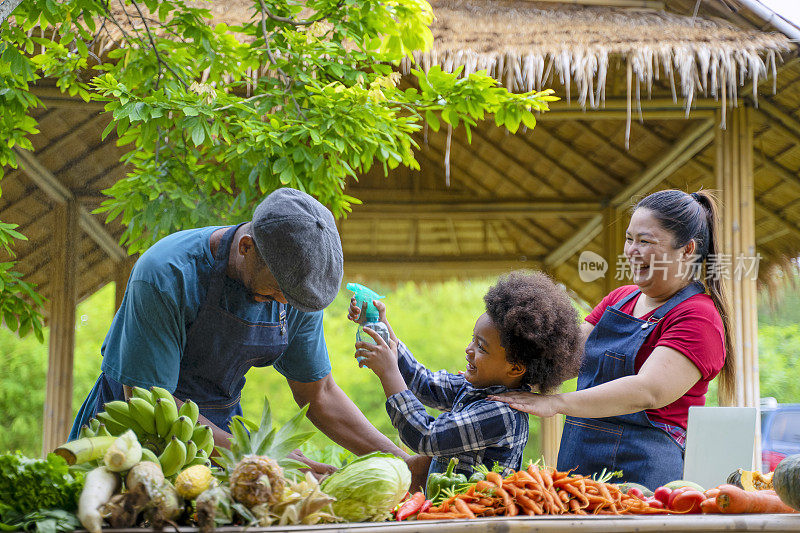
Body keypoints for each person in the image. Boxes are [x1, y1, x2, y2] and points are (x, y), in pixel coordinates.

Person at [69, 187, 427, 480]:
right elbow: (150, 399)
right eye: (276, 291)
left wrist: (399, 460)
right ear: (246, 248)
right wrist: (263, 457)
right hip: (129, 439)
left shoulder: (296, 289)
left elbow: (319, 393)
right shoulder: (166, 273)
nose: (283, 303)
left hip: (221, 440)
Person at [492, 189, 734, 490]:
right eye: (630, 238)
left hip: (644, 479)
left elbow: (648, 391)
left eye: (645, 241)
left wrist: (555, 403)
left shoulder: (699, 317)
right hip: (577, 468)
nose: (631, 250)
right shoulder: (620, 299)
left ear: (687, 250)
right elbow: (564, 359)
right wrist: (496, 371)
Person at [348, 272, 582, 481]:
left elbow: (425, 436)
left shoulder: (502, 412)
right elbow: (424, 383)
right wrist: (379, 325)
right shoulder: (480, 386)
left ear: (514, 368)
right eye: (473, 339)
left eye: (482, 347)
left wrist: (388, 373)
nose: (469, 349)